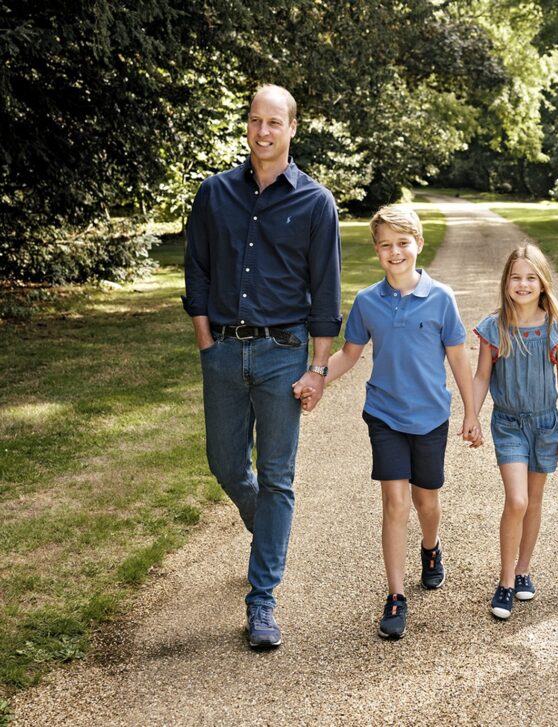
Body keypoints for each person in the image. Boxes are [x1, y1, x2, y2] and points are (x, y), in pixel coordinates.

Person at [182, 85, 342, 649]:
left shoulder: (317, 203)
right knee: (226, 464)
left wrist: (318, 369)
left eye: (275, 122)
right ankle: (267, 532)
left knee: (277, 477)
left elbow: (326, 295)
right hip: (223, 351)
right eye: (255, 121)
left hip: (282, 356)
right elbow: (196, 273)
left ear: (292, 129)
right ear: (247, 126)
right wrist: (206, 342)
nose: (263, 131)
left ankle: (262, 602)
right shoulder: (214, 194)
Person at [316, 204, 481, 640]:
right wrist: (316, 379)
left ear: (418, 245)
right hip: (385, 416)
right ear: (376, 251)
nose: (395, 252)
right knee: (395, 502)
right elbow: (349, 354)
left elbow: (459, 359)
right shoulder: (368, 301)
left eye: (402, 243)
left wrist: (470, 412)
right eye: (386, 245)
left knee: (426, 503)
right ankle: (395, 595)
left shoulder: (441, 298)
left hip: (429, 418)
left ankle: (431, 548)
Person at [472, 245, 558, 620]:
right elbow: (482, 375)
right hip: (509, 424)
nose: (523, 284)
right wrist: (472, 414)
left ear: (543, 283)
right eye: (516, 277)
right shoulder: (494, 327)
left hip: (546, 425)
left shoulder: (554, 328)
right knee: (516, 500)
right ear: (506, 282)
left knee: (533, 500)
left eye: (531, 277)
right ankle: (504, 582)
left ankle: (523, 570)